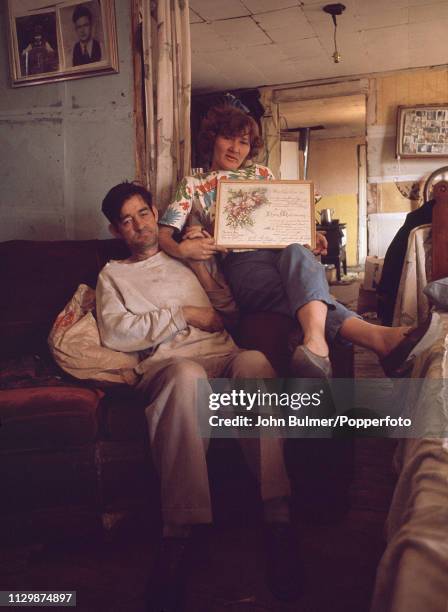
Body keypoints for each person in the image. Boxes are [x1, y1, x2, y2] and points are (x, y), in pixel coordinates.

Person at [97, 181, 301, 611]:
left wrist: (205, 272)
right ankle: (179, 532)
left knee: (256, 364)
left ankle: (277, 516)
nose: (138, 225)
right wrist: (183, 314)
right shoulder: (113, 275)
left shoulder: (185, 259)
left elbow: (227, 311)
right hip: (169, 366)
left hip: (221, 356)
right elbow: (116, 332)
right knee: (187, 376)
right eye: (126, 221)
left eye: (143, 214)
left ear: (155, 213)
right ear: (117, 231)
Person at [159, 104, 432, 379]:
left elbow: (281, 216)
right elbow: (164, 234)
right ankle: (375, 337)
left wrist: (308, 234)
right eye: (227, 138)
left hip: (283, 252)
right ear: (212, 138)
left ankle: (315, 344)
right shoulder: (193, 184)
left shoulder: (263, 174)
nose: (235, 148)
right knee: (303, 290)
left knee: (298, 253)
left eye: (243, 142)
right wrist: (182, 248)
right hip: (244, 263)